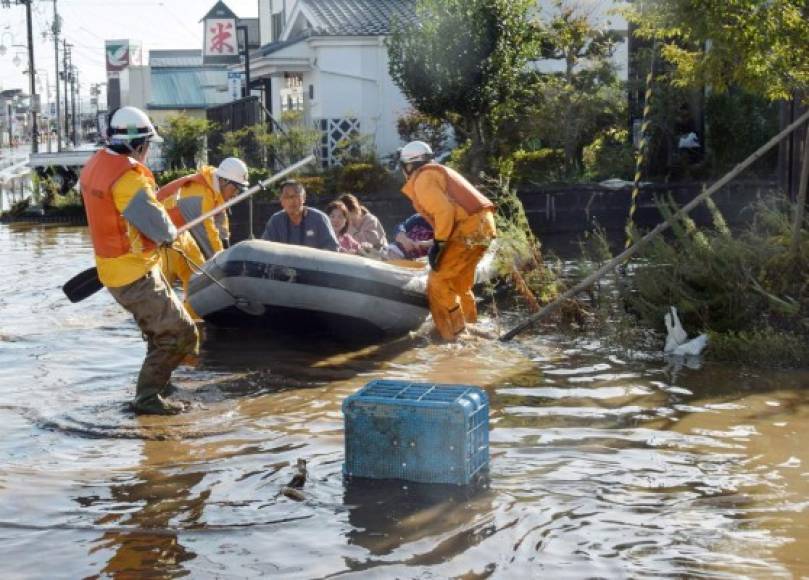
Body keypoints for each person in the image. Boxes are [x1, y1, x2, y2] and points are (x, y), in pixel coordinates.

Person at [79, 106, 198, 415]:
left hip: (113, 271)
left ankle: (160, 383)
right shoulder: (129, 181)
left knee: (158, 332)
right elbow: (160, 228)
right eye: (147, 146)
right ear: (138, 145)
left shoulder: (95, 166)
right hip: (136, 275)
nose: (146, 152)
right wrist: (170, 233)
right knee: (182, 333)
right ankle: (147, 397)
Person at [398, 140, 496, 341]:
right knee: (460, 284)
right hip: (483, 227)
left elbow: (444, 211)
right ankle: (472, 326)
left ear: (408, 165)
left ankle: (457, 335)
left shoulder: (422, 179)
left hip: (467, 230)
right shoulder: (437, 171)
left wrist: (440, 243)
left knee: (437, 282)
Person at [156, 157, 248, 315]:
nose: (236, 194)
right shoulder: (200, 196)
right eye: (236, 189)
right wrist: (224, 267)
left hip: (181, 236)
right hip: (161, 239)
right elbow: (207, 233)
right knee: (161, 286)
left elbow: (221, 224)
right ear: (225, 181)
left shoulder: (214, 188)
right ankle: (159, 320)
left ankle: (194, 317)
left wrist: (227, 250)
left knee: (198, 276)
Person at [261, 180, 340, 251]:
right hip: (282, 266)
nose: (292, 200)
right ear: (281, 201)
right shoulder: (276, 220)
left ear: (304, 198)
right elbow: (264, 248)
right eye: (287, 197)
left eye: (296, 196)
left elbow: (332, 247)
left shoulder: (319, 218)